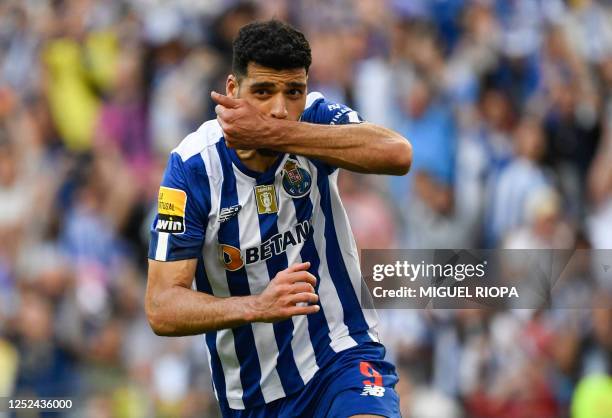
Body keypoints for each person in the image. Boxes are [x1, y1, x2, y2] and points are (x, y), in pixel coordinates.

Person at [146, 20, 412, 418]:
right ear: (233, 90)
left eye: (294, 92)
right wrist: (257, 306)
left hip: (340, 355)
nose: (279, 109)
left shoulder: (315, 119)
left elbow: (397, 153)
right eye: (263, 92)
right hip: (254, 396)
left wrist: (277, 135)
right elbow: (161, 306)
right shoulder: (192, 168)